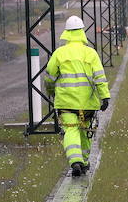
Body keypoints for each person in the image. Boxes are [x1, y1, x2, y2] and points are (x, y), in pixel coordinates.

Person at [43, 15, 111, 177]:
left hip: (66, 104)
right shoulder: (91, 53)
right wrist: (105, 97)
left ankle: (75, 162)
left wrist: (53, 93)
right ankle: (84, 162)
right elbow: (99, 77)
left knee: (71, 131)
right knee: (85, 131)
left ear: (66, 33)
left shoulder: (59, 53)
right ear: (82, 31)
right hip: (87, 105)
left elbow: (49, 78)